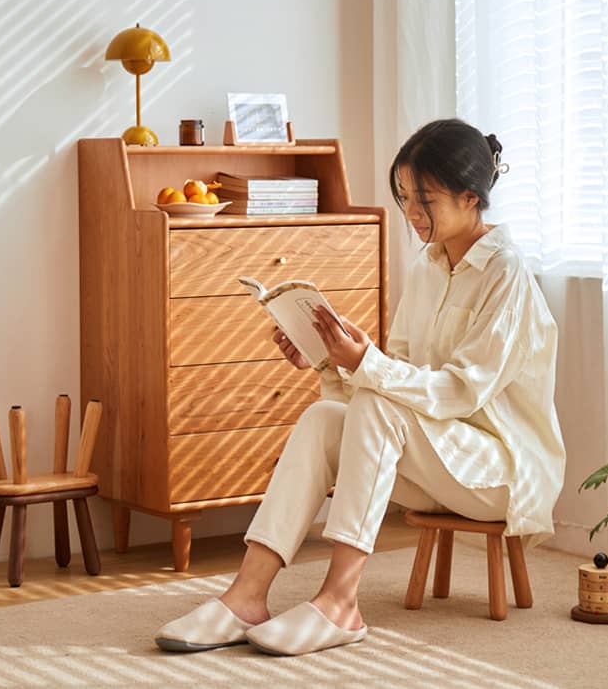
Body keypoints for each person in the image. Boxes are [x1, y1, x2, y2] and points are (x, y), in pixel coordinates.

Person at [154, 117, 567, 657]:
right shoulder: (427, 268)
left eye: (426, 201)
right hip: (436, 457)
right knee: (324, 418)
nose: (412, 214)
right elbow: (396, 376)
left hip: (498, 469)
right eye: (403, 198)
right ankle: (246, 595)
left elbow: (461, 392)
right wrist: (329, 360)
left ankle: (341, 601)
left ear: (471, 198)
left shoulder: (506, 273)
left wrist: (368, 365)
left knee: (377, 399)